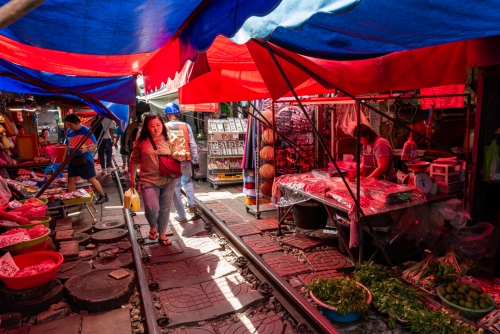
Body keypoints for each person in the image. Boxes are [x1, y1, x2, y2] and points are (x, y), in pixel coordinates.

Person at [129, 112, 185, 246]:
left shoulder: (170, 137)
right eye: (152, 126)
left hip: (168, 180)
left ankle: (162, 234)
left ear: (163, 124)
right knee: (152, 208)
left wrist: (179, 155)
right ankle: (153, 226)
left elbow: (183, 154)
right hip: (148, 180)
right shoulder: (141, 140)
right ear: (146, 127)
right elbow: (134, 159)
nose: (156, 128)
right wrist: (131, 177)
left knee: (165, 209)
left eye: (158, 125)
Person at [164, 103, 200, 222]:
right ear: (177, 113)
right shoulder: (186, 126)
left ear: (168, 114)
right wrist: (196, 161)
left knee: (175, 188)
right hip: (186, 160)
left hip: (172, 162)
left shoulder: (164, 127)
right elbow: (193, 145)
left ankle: (181, 215)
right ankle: (191, 203)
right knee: (188, 182)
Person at [63, 114, 109, 204]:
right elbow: (67, 145)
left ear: (77, 123)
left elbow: (95, 145)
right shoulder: (69, 131)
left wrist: (86, 149)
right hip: (72, 159)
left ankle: (103, 195)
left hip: (85, 159)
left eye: (70, 125)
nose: (68, 127)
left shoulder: (86, 131)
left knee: (91, 179)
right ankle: (72, 199)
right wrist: (64, 158)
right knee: (71, 179)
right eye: (67, 125)